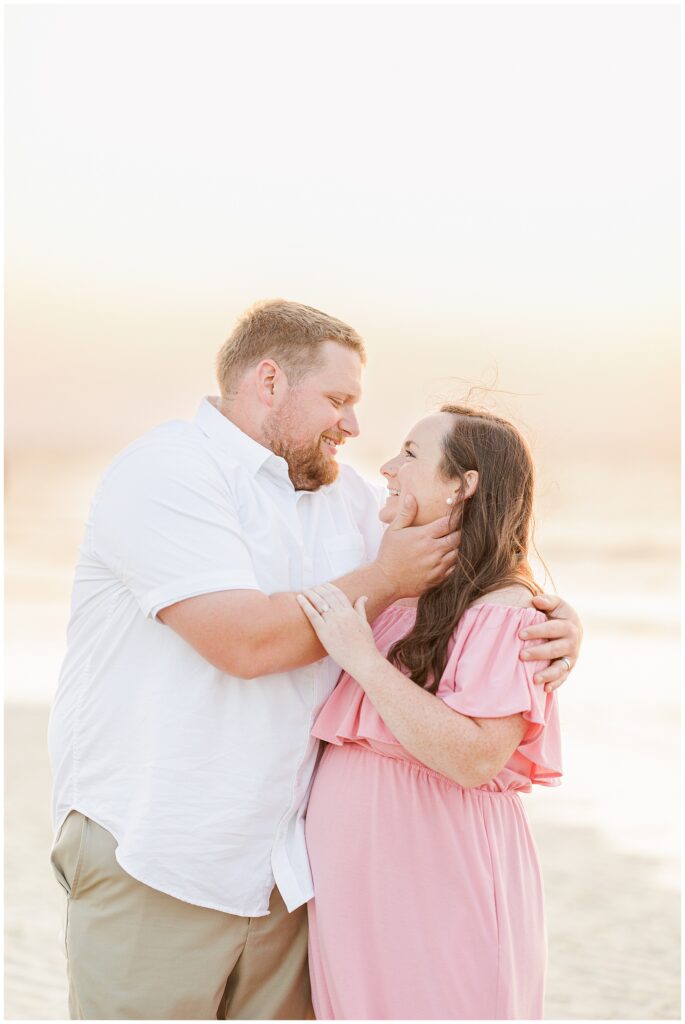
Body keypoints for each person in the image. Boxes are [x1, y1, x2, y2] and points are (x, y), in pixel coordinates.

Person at [48, 300, 581, 1020]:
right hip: (160, 852)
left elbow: (462, 567)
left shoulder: (350, 501)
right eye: (338, 399)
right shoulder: (168, 474)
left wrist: (553, 621)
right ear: (268, 382)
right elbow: (245, 641)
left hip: (287, 876)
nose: (354, 427)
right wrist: (385, 578)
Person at [297, 405, 565, 1020]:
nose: (388, 467)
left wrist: (366, 663)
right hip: (365, 893)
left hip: (440, 881)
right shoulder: (405, 587)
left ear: (462, 484)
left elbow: (475, 757)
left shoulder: (505, 610)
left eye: (412, 455)